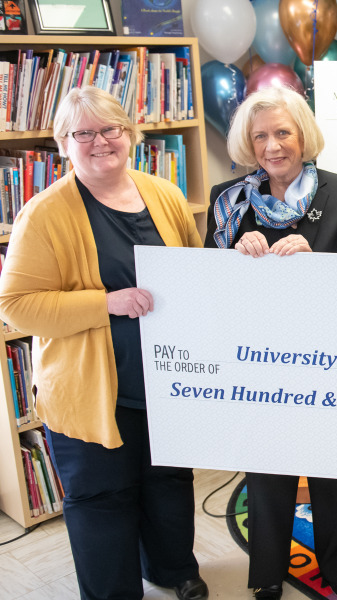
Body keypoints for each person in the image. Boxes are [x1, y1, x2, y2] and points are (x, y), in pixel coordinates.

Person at [0, 87, 207, 600]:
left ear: (130, 134)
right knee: (102, 498)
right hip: (90, 390)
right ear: (62, 144)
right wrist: (105, 303)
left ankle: (173, 569)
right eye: (83, 133)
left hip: (165, 381)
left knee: (170, 483)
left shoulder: (164, 194)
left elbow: (196, 272)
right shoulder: (43, 214)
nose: (99, 142)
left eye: (110, 129)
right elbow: (16, 305)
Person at [205, 85, 337, 600]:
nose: (273, 146)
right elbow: (208, 284)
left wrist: (316, 256)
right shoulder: (227, 201)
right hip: (260, 360)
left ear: (303, 135)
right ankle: (267, 577)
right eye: (261, 136)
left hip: (331, 359)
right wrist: (235, 251)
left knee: (334, 473)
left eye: (283, 132)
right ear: (247, 144)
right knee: (267, 472)